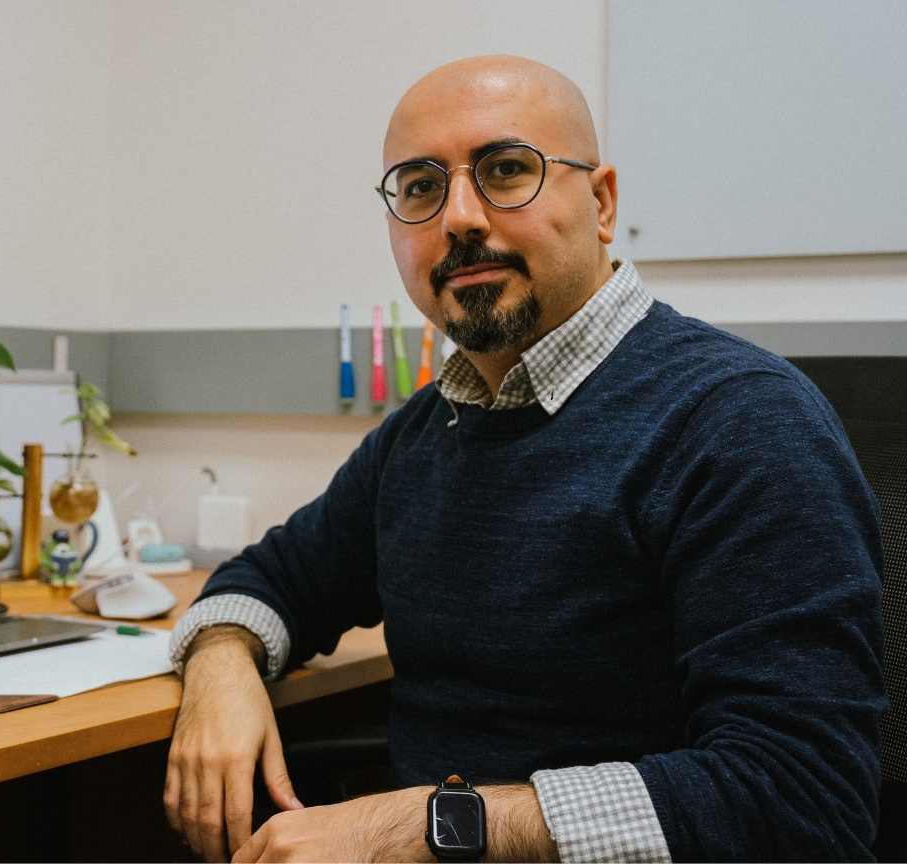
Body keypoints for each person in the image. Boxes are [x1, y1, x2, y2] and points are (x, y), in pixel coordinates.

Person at [163, 55, 886, 863]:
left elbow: (803, 801)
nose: (460, 217)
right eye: (420, 186)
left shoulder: (740, 420)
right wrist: (221, 663)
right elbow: (272, 578)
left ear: (602, 202)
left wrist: (414, 830)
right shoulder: (425, 434)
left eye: (508, 170)